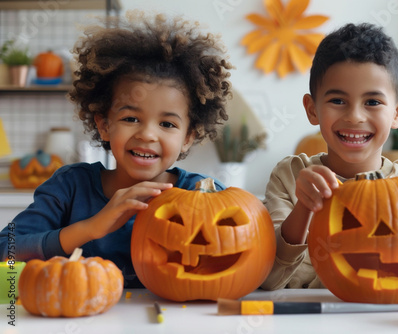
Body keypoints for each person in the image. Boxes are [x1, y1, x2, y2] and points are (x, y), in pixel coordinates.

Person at [0, 11, 233, 287]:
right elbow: (7, 251)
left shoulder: (204, 195)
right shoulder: (69, 187)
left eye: (167, 124)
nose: (147, 134)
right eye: (130, 118)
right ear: (104, 125)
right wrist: (90, 228)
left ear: (188, 136)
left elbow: (243, 260)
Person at [260, 23, 398, 290]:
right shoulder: (291, 177)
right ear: (312, 109)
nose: (355, 116)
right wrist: (304, 207)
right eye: (338, 101)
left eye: (372, 102)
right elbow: (268, 280)